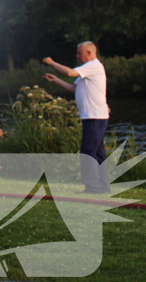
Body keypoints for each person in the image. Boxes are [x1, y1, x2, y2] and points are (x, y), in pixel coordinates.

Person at [44, 41, 111, 194]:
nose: (77, 56)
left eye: (80, 53)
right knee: (97, 151)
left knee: (88, 151)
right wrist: (56, 80)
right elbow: (73, 88)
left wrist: (52, 63)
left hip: (95, 116)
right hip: (92, 116)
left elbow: (70, 73)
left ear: (89, 53)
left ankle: (93, 187)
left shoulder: (93, 65)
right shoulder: (87, 70)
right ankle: (102, 186)